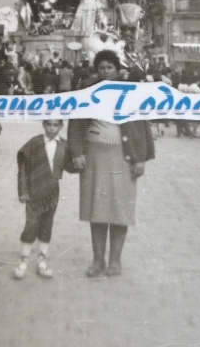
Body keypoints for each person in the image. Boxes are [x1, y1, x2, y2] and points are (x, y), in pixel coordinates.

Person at [66, 50, 155, 278]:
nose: (105, 72)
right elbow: (75, 123)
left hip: (122, 158)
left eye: (110, 68)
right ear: (96, 70)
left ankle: (115, 261)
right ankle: (97, 261)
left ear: (118, 70)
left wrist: (140, 158)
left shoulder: (131, 92)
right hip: (94, 157)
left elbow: (141, 125)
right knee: (97, 211)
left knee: (119, 211)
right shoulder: (86, 92)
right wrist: (77, 152)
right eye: (101, 68)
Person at [14, 120, 67, 280]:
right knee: (31, 224)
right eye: (49, 124)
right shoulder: (34, 143)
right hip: (33, 190)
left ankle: (42, 262)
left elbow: (72, 165)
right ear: (43, 125)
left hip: (52, 192)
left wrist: (80, 158)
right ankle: (23, 262)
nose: (52, 128)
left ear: (61, 126)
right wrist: (22, 190)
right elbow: (22, 167)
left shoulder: (64, 145)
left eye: (55, 125)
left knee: (46, 224)